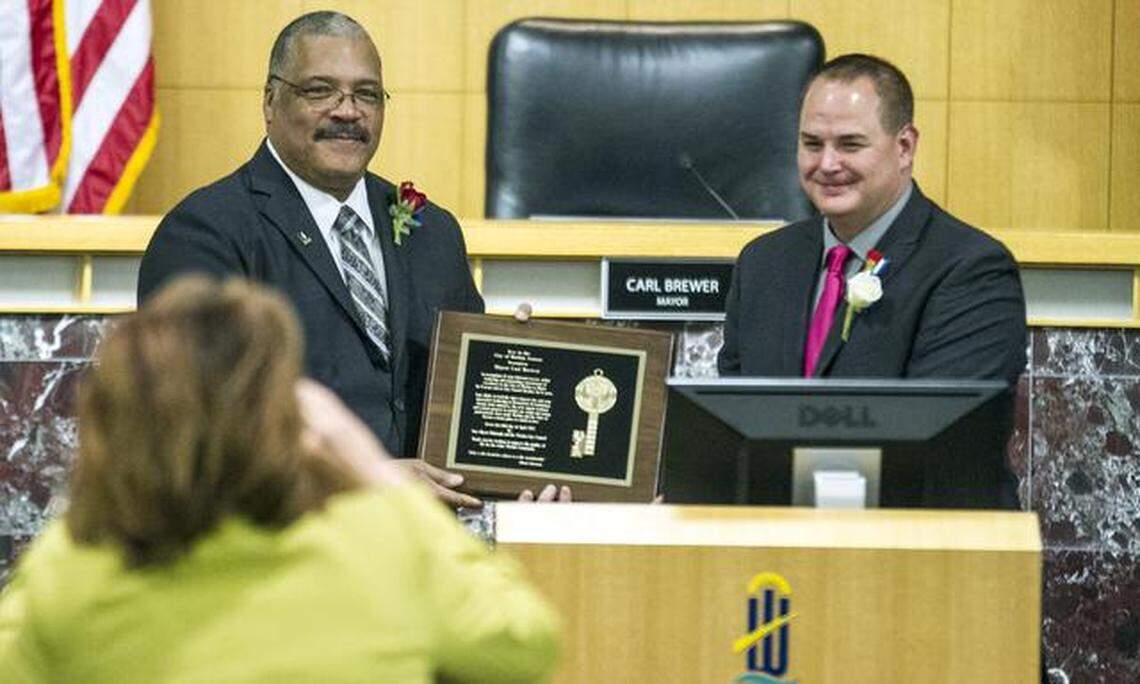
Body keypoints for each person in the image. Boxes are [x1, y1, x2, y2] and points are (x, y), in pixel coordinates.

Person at [0, 276, 561, 682]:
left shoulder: (69, 573)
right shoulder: (381, 547)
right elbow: (525, 647)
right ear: (290, 416)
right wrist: (377, 477)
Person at [138, 11, 567, 505]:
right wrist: (364, 476)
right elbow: (193, 421)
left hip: (424, 545)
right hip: (285, 547)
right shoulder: (205, 232)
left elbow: (463, 417)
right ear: (271, 102)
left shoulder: (432, 232)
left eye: (366, 94)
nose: (348, 111)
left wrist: (518, 380)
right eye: (320, 90)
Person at [719, 54, 1027, 507]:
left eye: (849, 144)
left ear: (904, 147)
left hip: (921, 550)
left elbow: (942, 443)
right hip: (781, 549)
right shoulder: (763, 263)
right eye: (811, 143)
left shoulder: (971, 269)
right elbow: (731, 423)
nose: (826, 163)